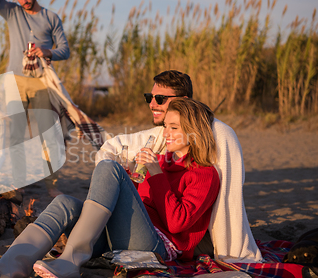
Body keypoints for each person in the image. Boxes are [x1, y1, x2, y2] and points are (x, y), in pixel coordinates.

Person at [0, 98, 221, 278]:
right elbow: (142, 205)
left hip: (156, 247)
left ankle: (70, 261)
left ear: (195, 131)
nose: (166, 133)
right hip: (123, 236)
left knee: (109, 166)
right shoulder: (162, 162)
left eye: (174, 127)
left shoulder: (205, 174)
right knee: (65, 202)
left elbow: (177, 223)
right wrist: (130, 183)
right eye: (166, 126)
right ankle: (9, 267)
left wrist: (154, 175)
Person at [94, 70, 262, 263]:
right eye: (150, 97)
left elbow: (228, 201)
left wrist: (229, 249)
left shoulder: (220, 136)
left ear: (182, 101)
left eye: (160, 98)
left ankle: (76, 252)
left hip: (186, 237)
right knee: (69, 204)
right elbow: (113, 148)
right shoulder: (161, 139)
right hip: (155, 228)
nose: (152, 104)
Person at [0, 0, 70, 197]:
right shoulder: (12, 12)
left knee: (49, 133)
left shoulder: (51, 17)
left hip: (42, 82)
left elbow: (65, 49)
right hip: (15, 81)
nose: (24, 1)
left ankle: (52, 185)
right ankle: (18, 181)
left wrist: (48, 51)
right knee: (15, 134)